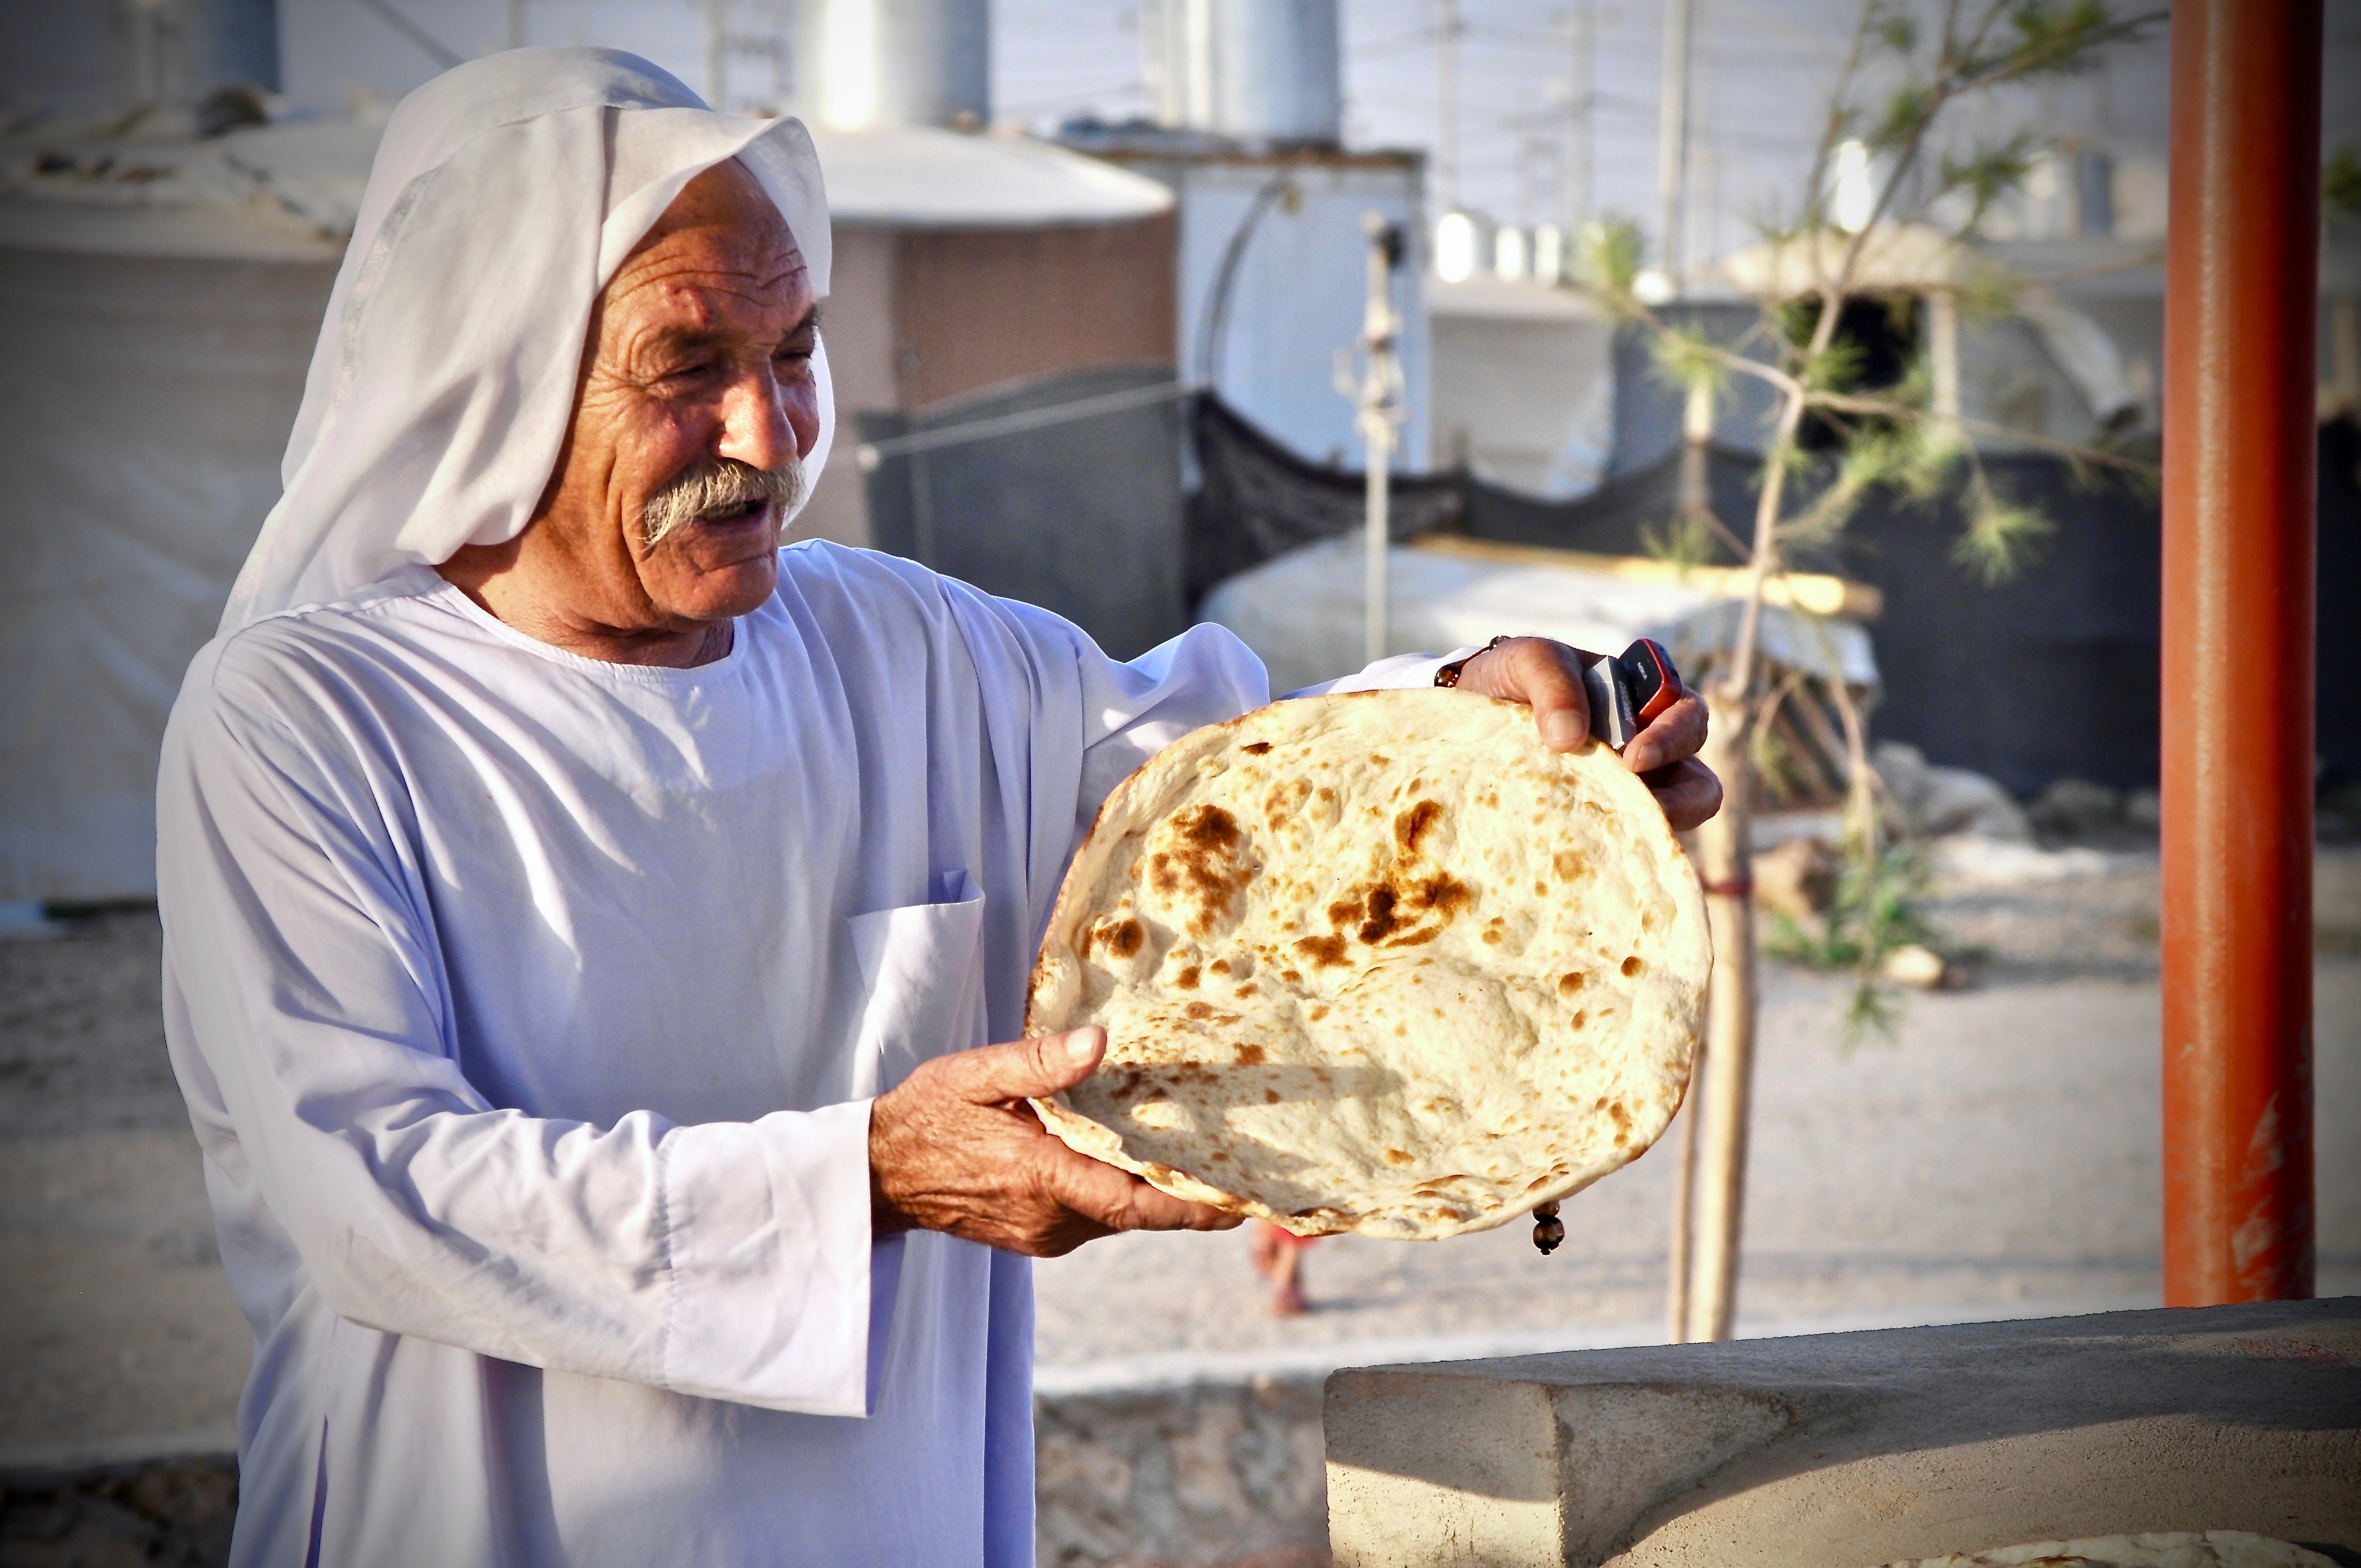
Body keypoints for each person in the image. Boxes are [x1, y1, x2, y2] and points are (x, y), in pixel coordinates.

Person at [156, 49, 1720, 1567]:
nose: (772, 435)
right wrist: (869, 1180)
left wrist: (1489, 726)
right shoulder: (303, 722)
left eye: (793, 353)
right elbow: (375, 1189)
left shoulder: (905, 647)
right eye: (690, 367)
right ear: (486, 386)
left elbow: (1247, 811)